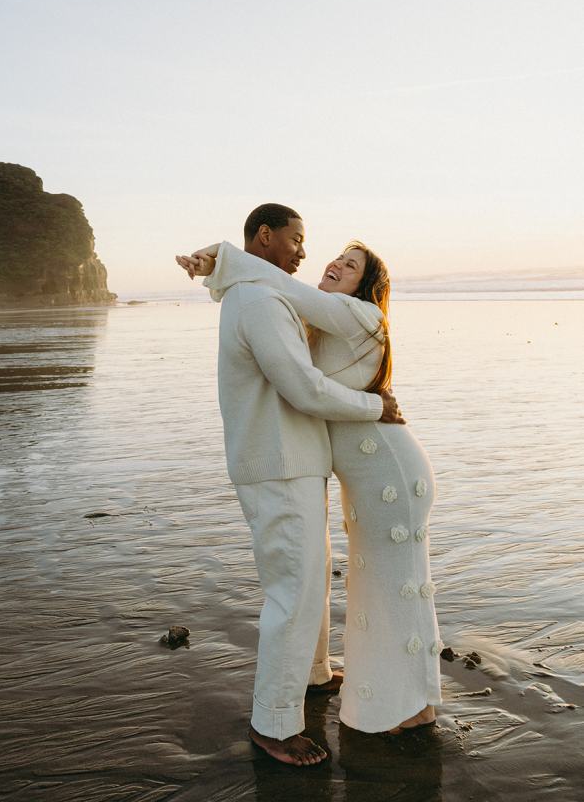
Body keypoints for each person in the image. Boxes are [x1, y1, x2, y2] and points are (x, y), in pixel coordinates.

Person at [177, 232, 442, 738]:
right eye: (337, 257)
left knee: (394, 586)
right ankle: (401, 697)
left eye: (352, 264)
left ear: (368, 287)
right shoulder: (317, 320)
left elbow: (280, 285)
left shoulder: (360, 315)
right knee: (375, 584)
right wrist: (218, 265)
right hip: (362, 472)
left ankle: (409, 706)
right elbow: (275, 294)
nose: (333, 264)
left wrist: (222, 257)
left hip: (389, 468)